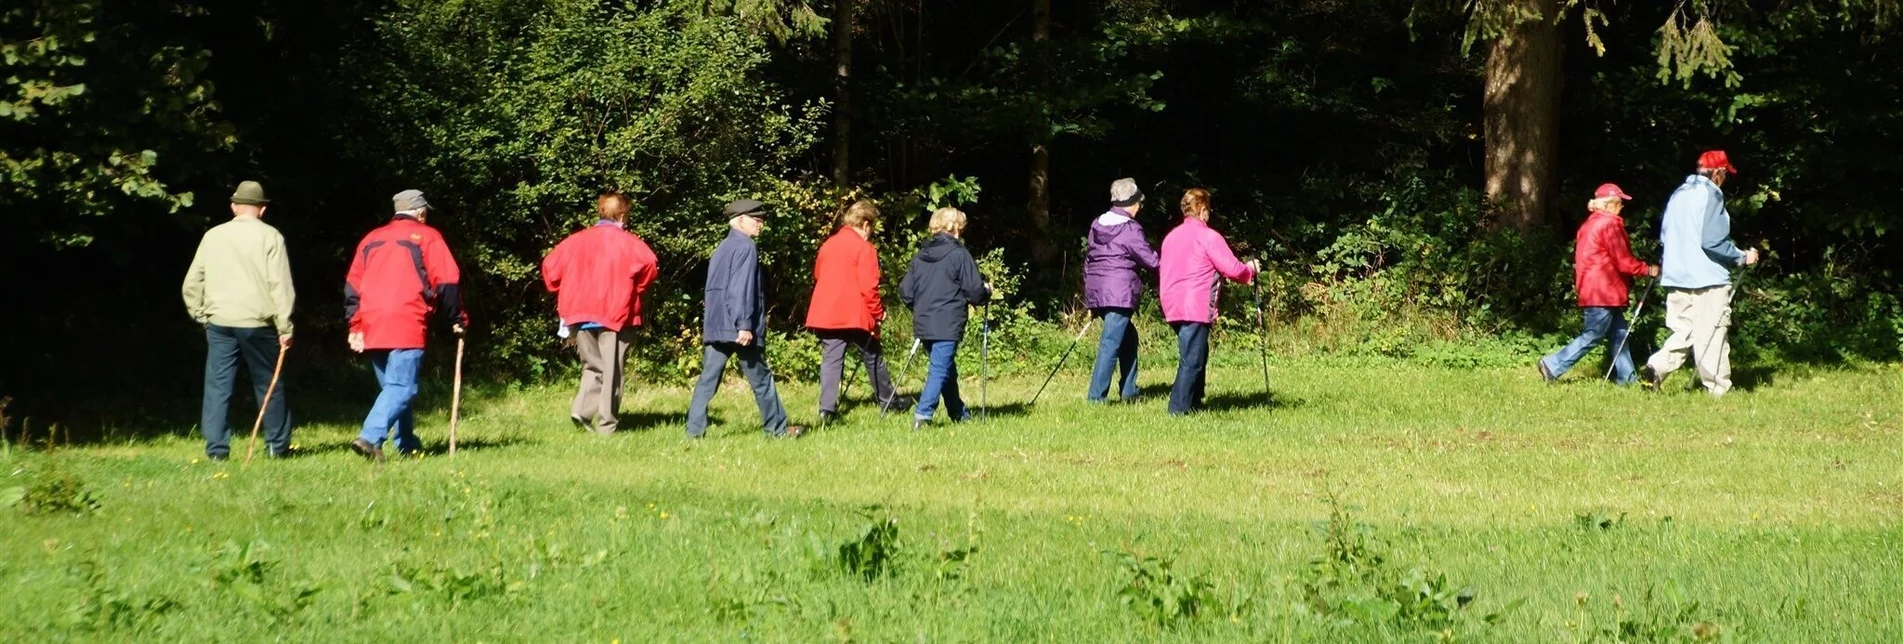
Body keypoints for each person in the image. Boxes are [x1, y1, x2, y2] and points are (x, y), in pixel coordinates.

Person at [344, 189, 466, 459]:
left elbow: (352, 286)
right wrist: (457, 317)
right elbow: (446, 280)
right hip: (406, 319)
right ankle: (369, 437)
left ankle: (407, 444)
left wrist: (355, 325)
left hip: (372, 322)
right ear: (421, 212)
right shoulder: (428, 236)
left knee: (394, 388)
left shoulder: (370, 239)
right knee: (403, 388)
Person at [181, 181, 296, 460]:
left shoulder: (213, 236)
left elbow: (193, 280)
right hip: (257, 322)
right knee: (268, 383)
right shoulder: (271, 237)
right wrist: (285, 326)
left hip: (219, 321)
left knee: (217, 386)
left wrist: (199, 313)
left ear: (234, 206)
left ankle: (216, 450)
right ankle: (276, 447)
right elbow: (279, 284)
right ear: (263, 209)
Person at [1641, 150, 1760, 396]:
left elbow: (1665, 235)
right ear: (1717, 173)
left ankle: (1656, 367)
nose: (1725, 179)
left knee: (1685, 330)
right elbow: (1712, 241)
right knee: (1712, 333)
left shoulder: (1679, 194)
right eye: (1725, 173)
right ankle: (1718, 390)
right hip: (1707, 277)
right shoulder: (1711, 195)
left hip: (1676, 274)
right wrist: (1742, 257)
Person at [685, 200, 805, 439]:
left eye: (761, 220)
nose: (761, 224)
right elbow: (740, 289)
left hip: (717, 325)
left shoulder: (723, 247)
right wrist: (744, 325)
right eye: (756, 220)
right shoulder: (746, 247)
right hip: (738, 327)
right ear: (740, 220)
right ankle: (777, 430)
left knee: (708, 380)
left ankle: (694, 431)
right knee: (761, 380)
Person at [542, 192, 660, 434]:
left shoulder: (574, 241)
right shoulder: (630, 243)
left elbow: (550, 268)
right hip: (615, 312)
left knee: (593, 365)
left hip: (578, 312)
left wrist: (562, 290)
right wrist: (633, 291)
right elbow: (650, 267)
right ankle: (607, 425)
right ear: (623, 215)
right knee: (612, 370)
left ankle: (582, 410)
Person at [1537, 184, 1660, 385]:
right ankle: (1552, 365)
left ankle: (1627, 379)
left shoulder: (1588, 225)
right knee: (1593, 335)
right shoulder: (1610, 225)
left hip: (1592, 288)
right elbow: (1623, 261)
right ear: (1609, 205)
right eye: (1620, 203)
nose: (1622, 208)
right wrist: (1647, 269)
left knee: (1620, 334)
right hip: (1604, 291)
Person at [1158, 188, 1258, 416]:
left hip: (1172, 303)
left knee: (1198, 351)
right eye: (1208, 210)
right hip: (1196, 304)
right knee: (1192, 359)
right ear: (1203, 210)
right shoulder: (1208, 237)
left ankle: (1194, 401)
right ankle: (1178, 410)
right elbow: (1232, 269)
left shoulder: (1171, 237)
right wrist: (1249, 271)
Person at [806, 199, 905, 423]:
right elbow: (869, 287)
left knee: (832, 359)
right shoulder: (864, 248)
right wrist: (878, 313)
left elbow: (818, 274)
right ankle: (888, 402)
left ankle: (827, 410)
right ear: (866, 224)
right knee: (873, 356)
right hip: (854, 313)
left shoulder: (828, 244)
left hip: (827, 312)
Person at [899, 207, 991, 430]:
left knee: (946, 367)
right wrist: (986, 291)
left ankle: (958, 414)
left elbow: (905, 291)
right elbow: (974, 291)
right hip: (948, 320)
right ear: (957, 228)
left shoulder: (921, 256)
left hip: (924, 321)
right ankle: (923, 414)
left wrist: (920, 308)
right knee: (940, 369)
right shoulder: (959, 255)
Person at [1082, 178, 1161, 403]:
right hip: (1120, 293)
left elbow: (1089, 260)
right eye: (1139, 203)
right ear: (1130, 203)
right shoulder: (1130, 229)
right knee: (1110, 343)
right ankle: (1096, 398)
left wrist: (1091, 297)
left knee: (1129, 338)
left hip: (1099, 290)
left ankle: (1129, 391)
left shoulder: (1097, 224)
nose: (1140, 208)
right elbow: (1150, 260)